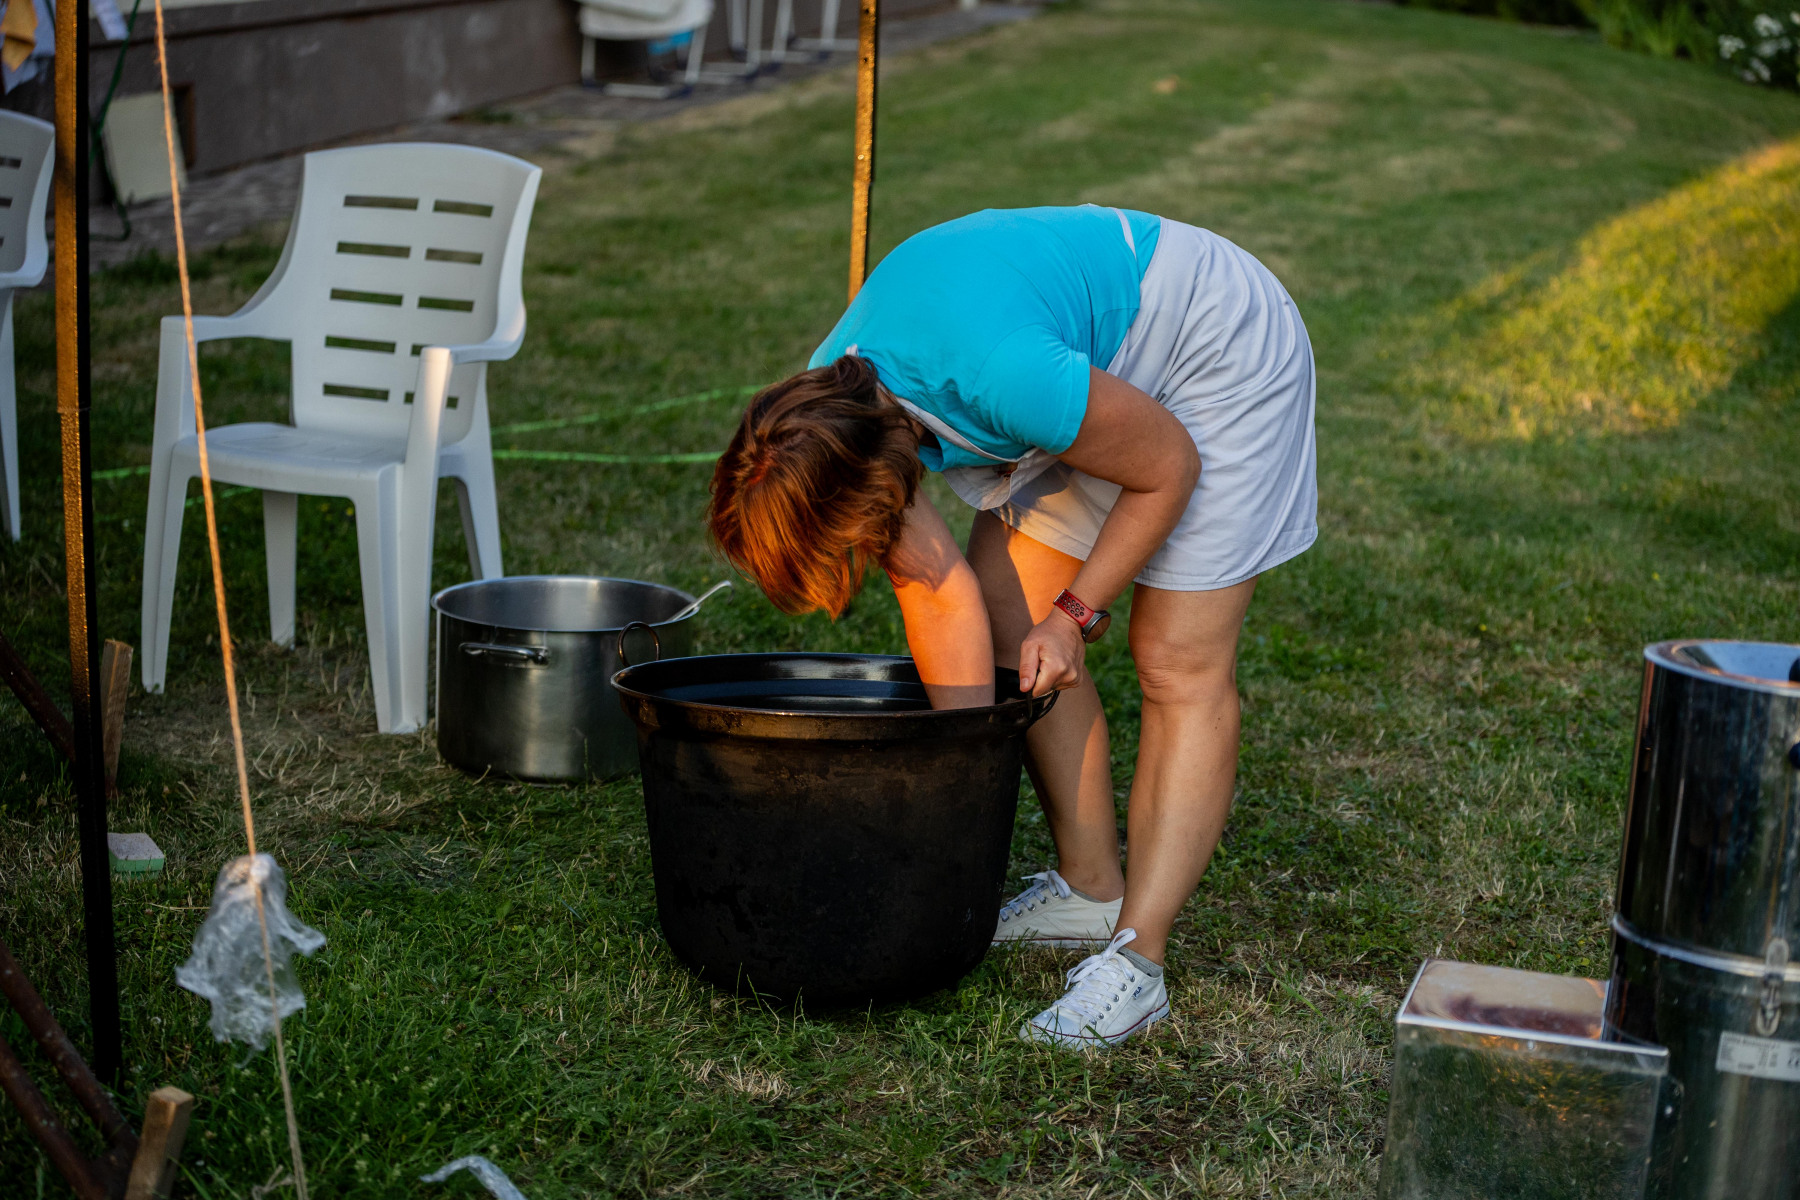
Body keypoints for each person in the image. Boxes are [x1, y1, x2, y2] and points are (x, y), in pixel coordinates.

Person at [707, 205, 1316, 1049]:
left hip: (1219, 345)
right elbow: (937, 590)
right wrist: (950, 797)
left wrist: (1074, 614)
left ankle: (1138, 961)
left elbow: (1168, 465)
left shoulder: (1002, 376)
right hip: (1089, 369)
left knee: (1177, 662)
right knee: (1007, 613)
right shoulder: (829, 409)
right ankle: (1089, 889)